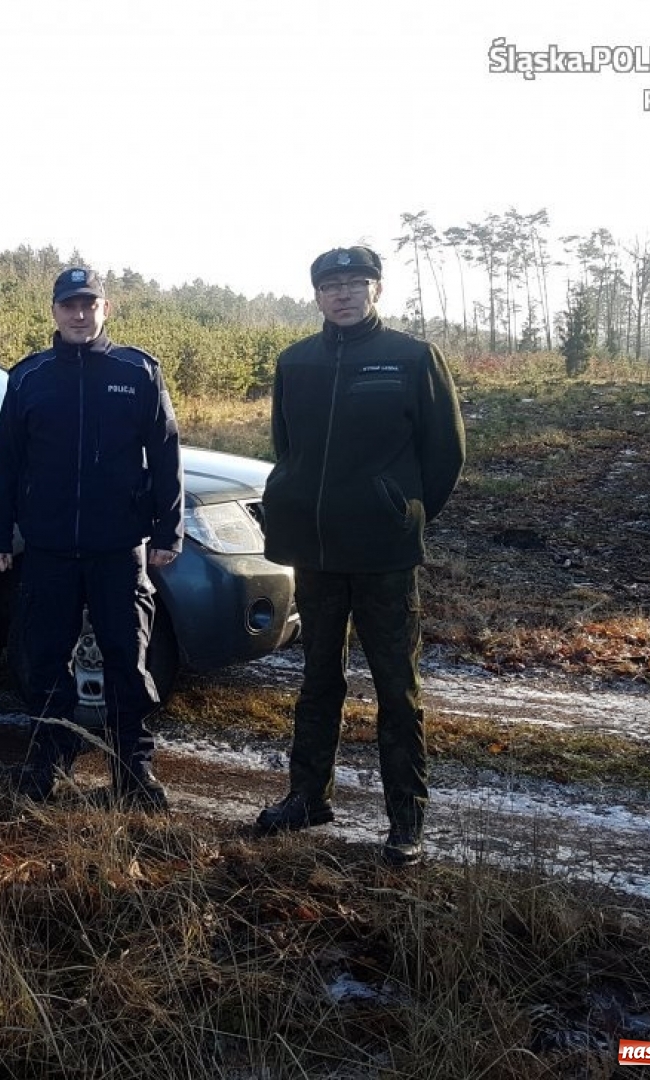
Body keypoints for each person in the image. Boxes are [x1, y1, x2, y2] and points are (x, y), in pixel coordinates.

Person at [256, 245, 465, 866]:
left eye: (355, 284)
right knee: (318, 680)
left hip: (383, 557)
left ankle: (406, 821)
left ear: (376, 290)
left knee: (397, 689)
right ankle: (307, 797)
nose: (343, 294)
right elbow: (287, 447)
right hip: (316, 556)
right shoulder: (296, 363)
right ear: (316, 295)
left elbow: (445, 456)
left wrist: (401, 513)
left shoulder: (412, 358)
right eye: (331, 286)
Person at [0, 266, 184, 810]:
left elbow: (166, 455)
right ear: (53, 311)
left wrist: (169, 530)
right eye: (69, 305)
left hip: (118, 549)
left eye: (89, 305)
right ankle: (48, 759)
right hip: (48, 550)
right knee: (45, 659)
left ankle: (133, 770)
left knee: (127, 660)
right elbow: (6, 461)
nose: (79, 314)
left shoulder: (137, 371)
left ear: (106, 309)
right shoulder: (29, 376)